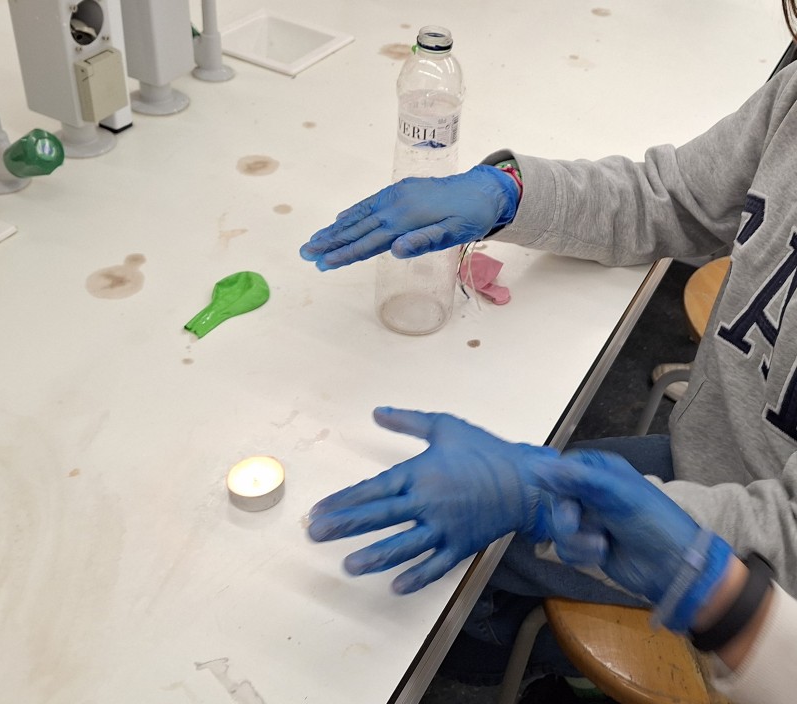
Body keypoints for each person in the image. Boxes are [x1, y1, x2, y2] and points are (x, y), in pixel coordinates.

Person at [300, 0, 797, 693]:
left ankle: (507, 653)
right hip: (713, 458)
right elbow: (675, 198)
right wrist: (511, 194)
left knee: (454, 564)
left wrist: (696, 576)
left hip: (754, 563)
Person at [308, 409, 794, 704]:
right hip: (719, 449)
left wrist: (715, 591)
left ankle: (513, 659)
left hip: (766, 556)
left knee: (476, 548)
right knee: (510, 477)